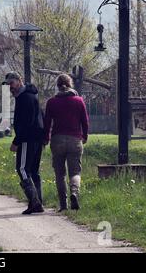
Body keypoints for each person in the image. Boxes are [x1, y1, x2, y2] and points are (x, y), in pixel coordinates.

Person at [43, 74, 89, 212]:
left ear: (57, 86)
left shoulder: (51, 102)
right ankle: (74, 193)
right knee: (75, 171)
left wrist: (46, 138)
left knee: (60, 173)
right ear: (70, 84)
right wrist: (84, 136)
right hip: (75, 139)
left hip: (57, 140)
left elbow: (47, 123)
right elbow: (85, 121)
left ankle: (63, 205)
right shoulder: (79, 100)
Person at [3, 72, 44, 215]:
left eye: (11, 84)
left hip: (29, 138)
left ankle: (35, 202)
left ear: (19, 81)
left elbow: (27, 123)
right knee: (33, 171)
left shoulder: (25, 98)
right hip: (37, 138)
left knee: (22, 169)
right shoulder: (30, 95)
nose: (10, 88)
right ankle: (38, 201)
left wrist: (16, 141)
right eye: (8, 85)